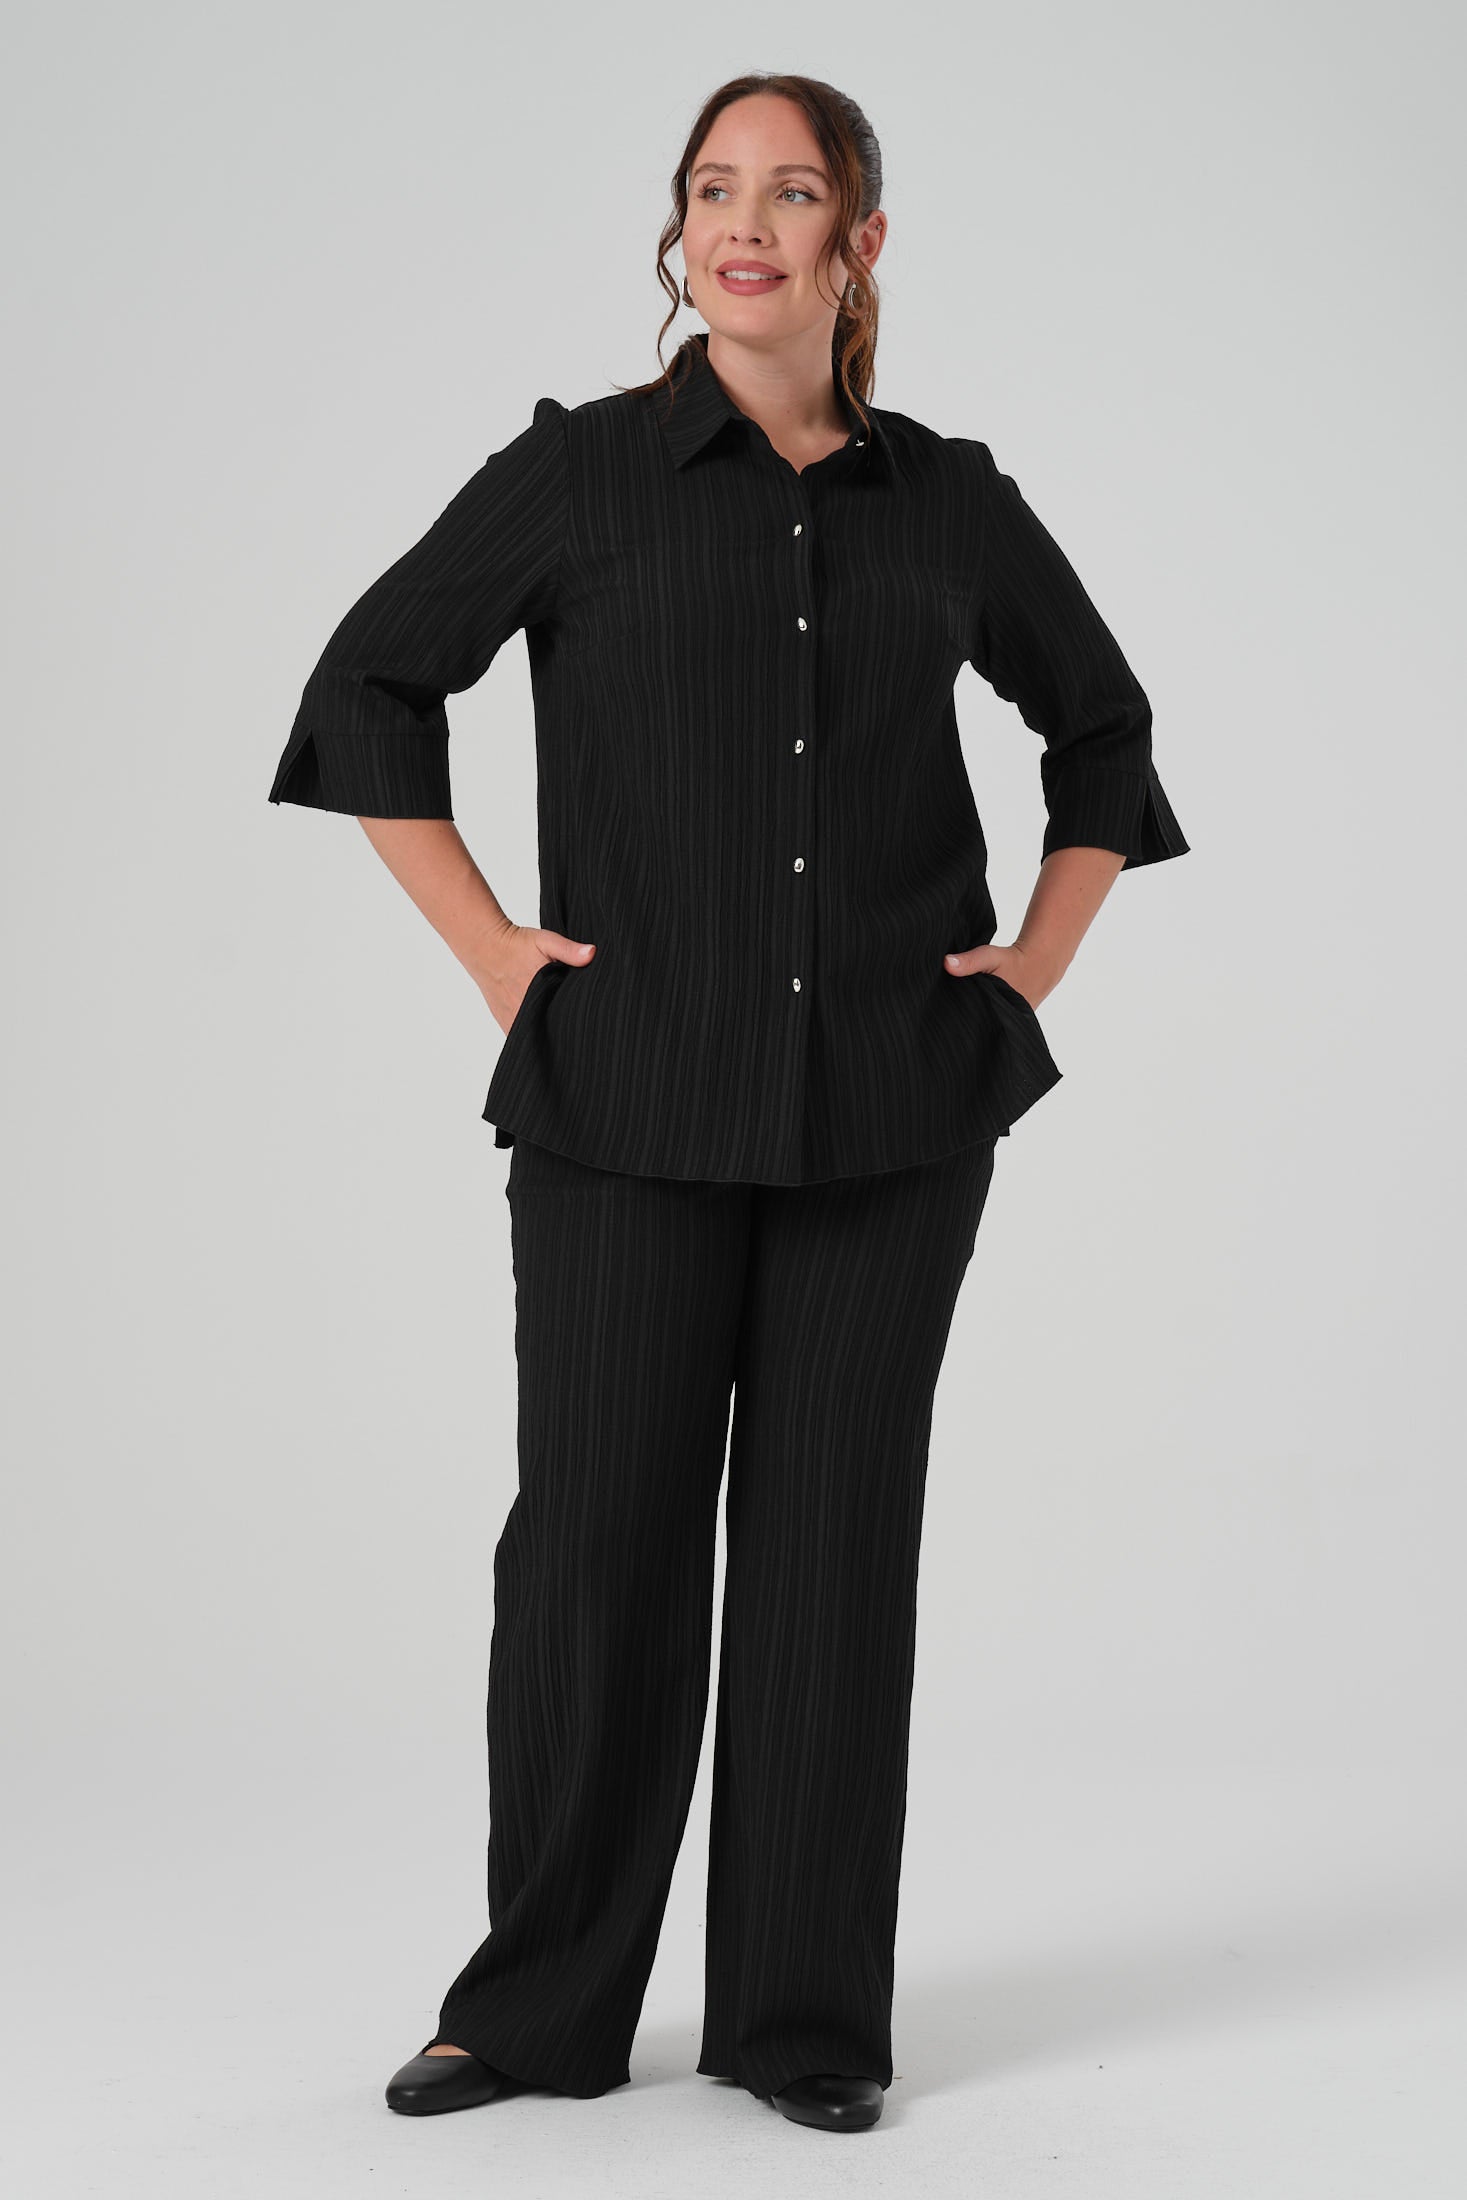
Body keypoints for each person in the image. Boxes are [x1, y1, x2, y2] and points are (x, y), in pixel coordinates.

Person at [267, 72, 1188, 2136]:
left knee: (830, 1561)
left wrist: (1036, 957)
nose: (744, 224)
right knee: (593, 1555)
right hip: (623, 1103)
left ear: (861, 244)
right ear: (678, 234)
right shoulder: (577, 476)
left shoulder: (949, 501)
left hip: (892, 1113)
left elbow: (1103, 727)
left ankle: (802, 2020)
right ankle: (533, 2012)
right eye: (712, 189)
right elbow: (367, 685)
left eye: (791, 192)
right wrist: (492, 949)